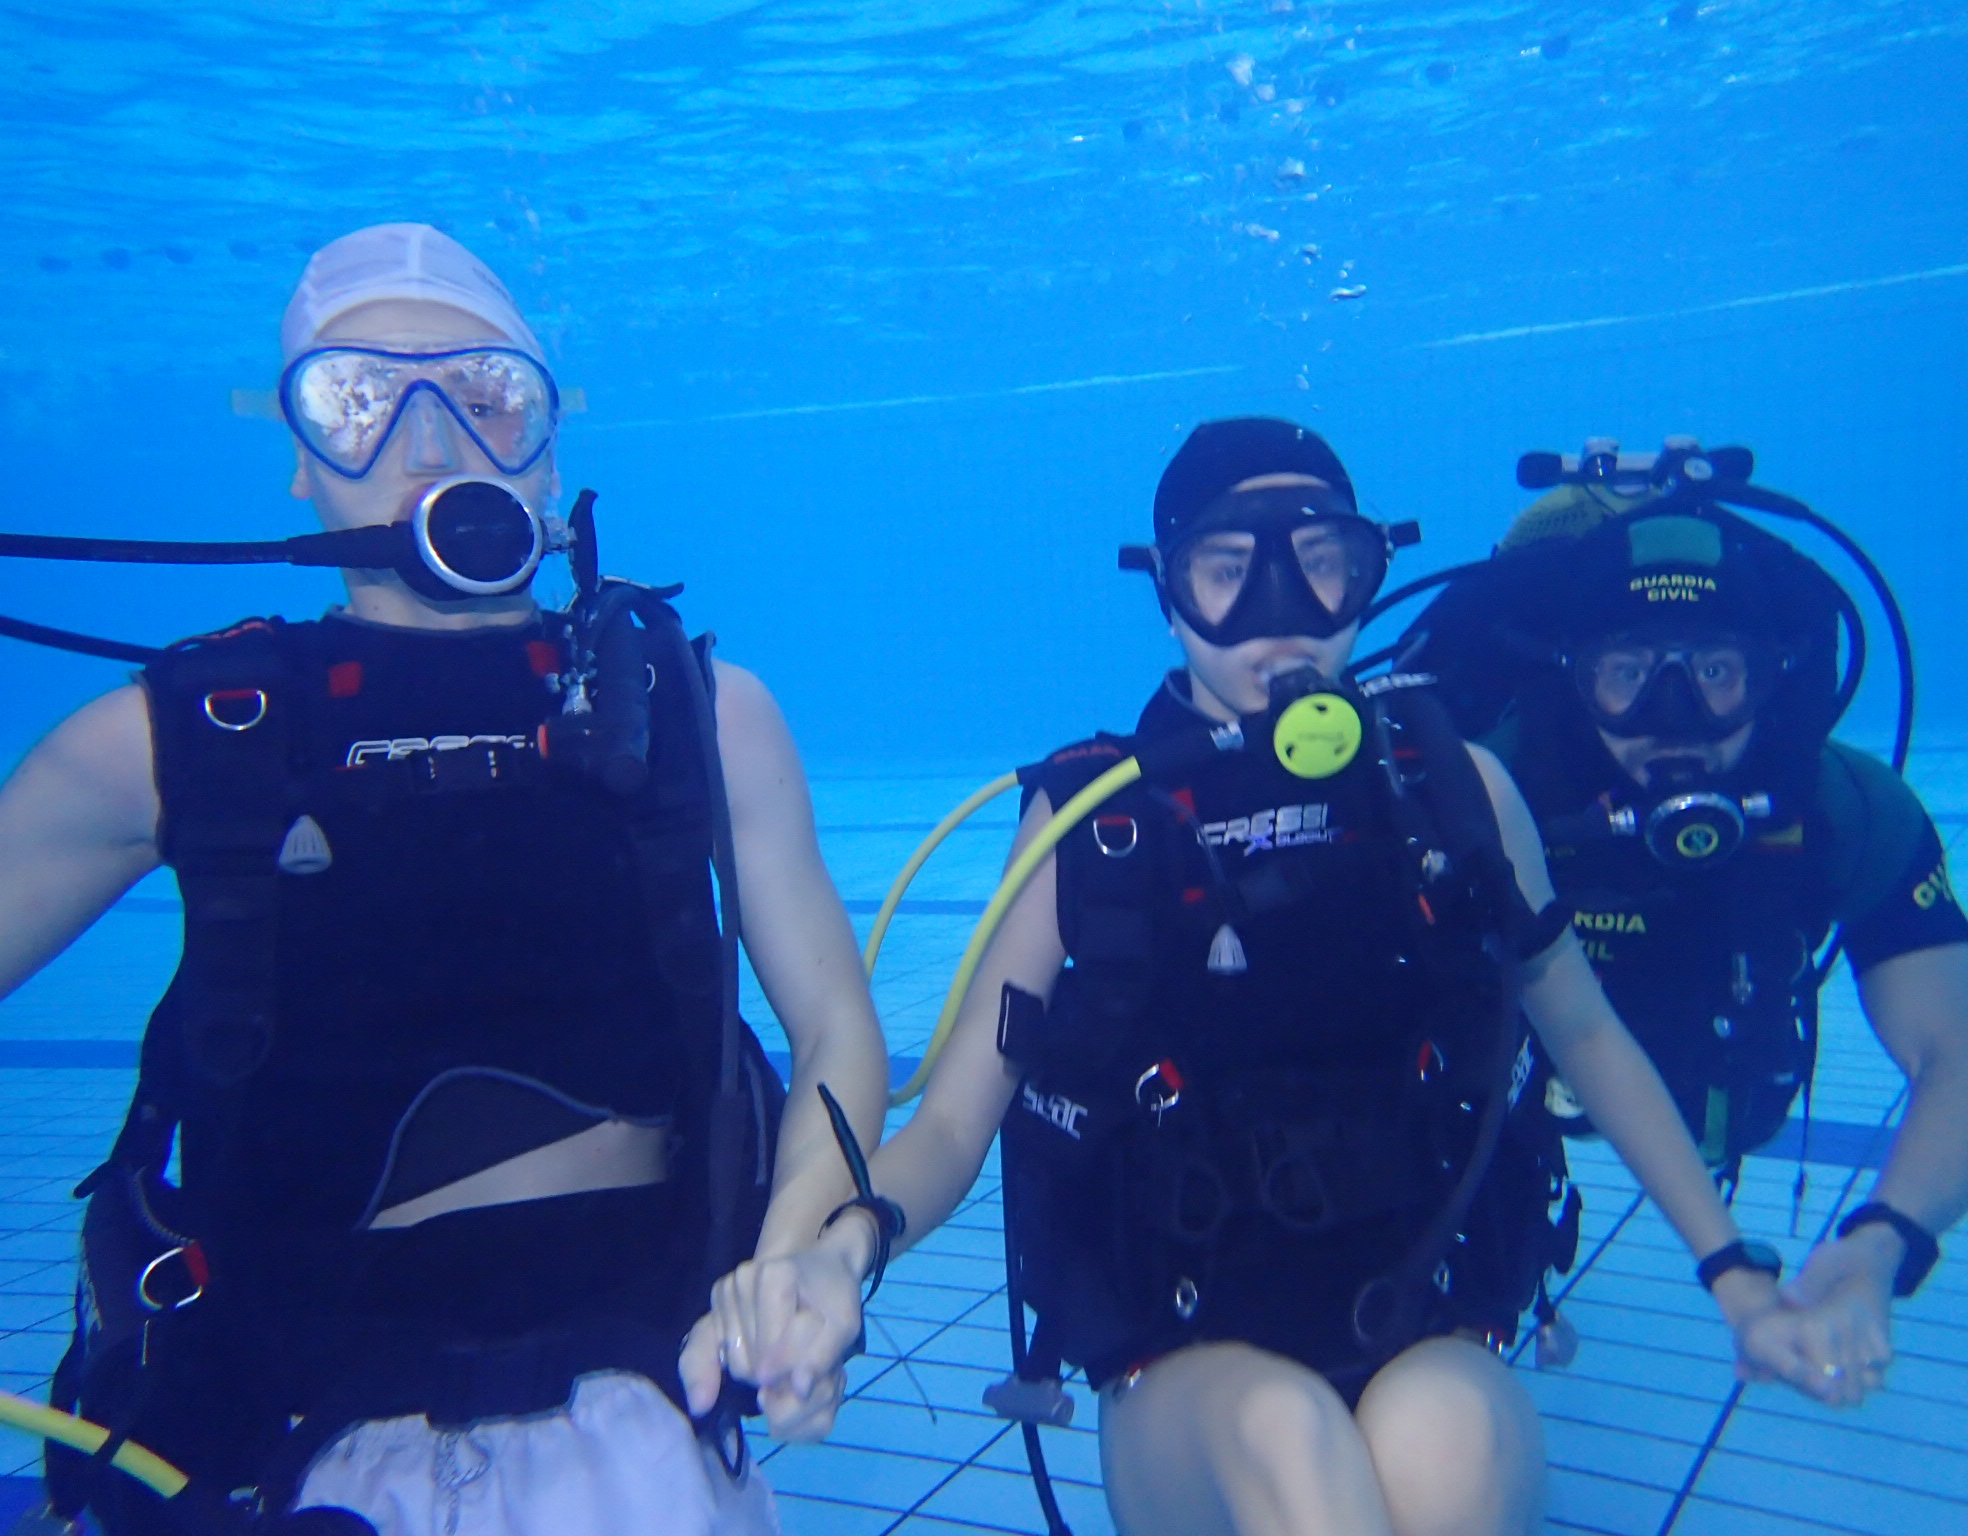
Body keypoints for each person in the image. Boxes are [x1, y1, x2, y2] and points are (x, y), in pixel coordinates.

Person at [693, 419, 1841, 1536]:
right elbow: (951, 1122)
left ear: (1366, 574)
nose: (1279, 616)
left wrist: (1733, 1274)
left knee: (1445, 1459)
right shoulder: (1093, 825)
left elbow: (1585, 1037)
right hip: (1179, 1359)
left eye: (1323, 565)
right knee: (1290, 1440)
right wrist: (841, 1251)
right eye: (1226, 572)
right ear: (1168, 593)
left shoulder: (1452, 790)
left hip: (1424, 1311)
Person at [0, 224, 887, 1535]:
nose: (430, 444)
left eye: (485, 394)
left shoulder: (705, 715)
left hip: (651, 1435)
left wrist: (805, 1249)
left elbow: (835, 1030)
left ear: (550, 447)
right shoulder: (177, 738)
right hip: (276, 1465)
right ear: (300, 457)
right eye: (356, 401)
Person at [1399, 443, 1968, 1411]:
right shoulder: (1492, 793)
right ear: (1571, 679)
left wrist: (1879, 1244)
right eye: (1626, 672)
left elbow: (1958, 1063)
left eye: (1717, 670)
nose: (1671, 715)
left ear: (1774, 677)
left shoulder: (1844, 811)